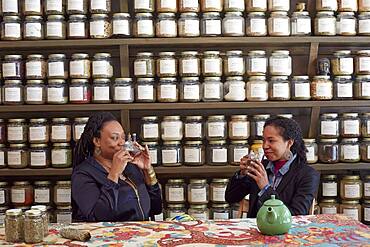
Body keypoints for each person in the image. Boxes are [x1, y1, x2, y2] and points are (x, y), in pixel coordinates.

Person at [72, 112, 162, 222]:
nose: (121, 143)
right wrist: (114, 174)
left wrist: (147, 170)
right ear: (97, 141)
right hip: (108, 237)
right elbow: (99, 217)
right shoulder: (83, 174)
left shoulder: (130, 167)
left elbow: (156, 208)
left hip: (140, 234)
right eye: (115, 138)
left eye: (123, 137)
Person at [225, 116, 320, 217]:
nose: (265, 146)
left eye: (271, 141)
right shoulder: (261, 167)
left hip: (286, 232)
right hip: (256, 229)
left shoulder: (308, 175)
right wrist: (242, 174)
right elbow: (231, 198)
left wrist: (265, 188)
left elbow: (297, 215)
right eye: (264, 140)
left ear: (289, 143)